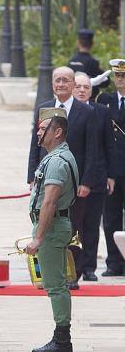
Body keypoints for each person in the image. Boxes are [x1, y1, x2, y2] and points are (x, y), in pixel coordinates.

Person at [28, 67, 97, 289]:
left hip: (74, 183)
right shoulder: (43, 109)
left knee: (73, 227)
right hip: (46, 178)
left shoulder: (85, 111)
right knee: (45, 223)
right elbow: (34, 146)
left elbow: (92, 149)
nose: (61, 84)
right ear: (52, 83)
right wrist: (31, 176)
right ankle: (48, 273)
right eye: (57, 80)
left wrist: (86, 181)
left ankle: (72, 275)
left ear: (72, 84)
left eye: (66, 81)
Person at [24, 111, 77, 352]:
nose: (38, 131)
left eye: (43, 127)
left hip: (53, 228)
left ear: (57, 132)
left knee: (55, 286)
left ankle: (62, 340)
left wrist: (39, 237)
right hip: (54, 226)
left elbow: (50, 203)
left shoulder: (56, 161)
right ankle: (61, 337)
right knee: (55, 284)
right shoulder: (56, 156)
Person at [71, 72, 106, 281]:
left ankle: (90, 267)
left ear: (91, 91)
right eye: (79, 86)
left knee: (92, 225)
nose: (82, 90)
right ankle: (74, 266)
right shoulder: (65, 111)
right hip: (72, 178)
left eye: (86, 87)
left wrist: (110, 175)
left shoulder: (101, 112)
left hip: (97, 177)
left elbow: (107, 146)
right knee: (75, 226)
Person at [96, 59, 125, 277]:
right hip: (113, 171)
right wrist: (97, 82)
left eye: (123, 76)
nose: (120, 80)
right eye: (117, 76)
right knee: (111, 218)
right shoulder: (104, 100)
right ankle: (114, 262)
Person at [68, 29, 108, 97]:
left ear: (78, 42)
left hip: (74, 98)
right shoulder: (94, 63)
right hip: (89, 99)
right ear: (92, 43)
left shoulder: (71, 61)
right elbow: (105, 83)